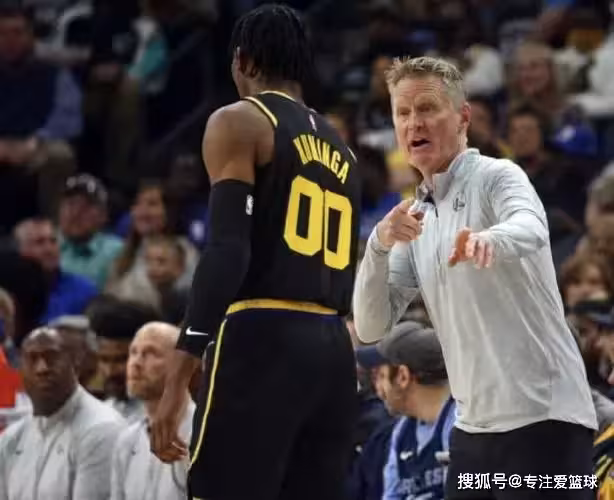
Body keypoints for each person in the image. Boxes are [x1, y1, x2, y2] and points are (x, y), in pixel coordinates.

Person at [353, 56, 597, 500]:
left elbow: (531, 225)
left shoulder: (497, 175)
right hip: (473, 431)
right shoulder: (416, 217)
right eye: (402, 113)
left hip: (544, 420)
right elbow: (371, 326)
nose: (413, 123)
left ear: (463, 117)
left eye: (427, 108)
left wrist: (491, 240)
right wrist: (378, 247)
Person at [149, 5, 361, 500]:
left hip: (264, 335)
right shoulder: (343, 148)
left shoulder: (240, 121)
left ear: (241, 61)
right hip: (334, 347)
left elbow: (228, 250)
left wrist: (179, 371)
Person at [0, 327, 124, 500]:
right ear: (20, 370)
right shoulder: (12, 438)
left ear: (75, 364)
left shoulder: (102, 429)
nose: (42, 368)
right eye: (32, 359)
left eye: (52, 358)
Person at [349, 321, 454, 500]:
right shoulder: (401, 432)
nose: (378, 389)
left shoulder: (459, 423)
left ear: (403, 377)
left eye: (381, 376)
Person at [111, 322, 195, 500]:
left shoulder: (202, 433)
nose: (136, 363)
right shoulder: (127, 441)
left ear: (180, 366)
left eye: (151, 353)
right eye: (133, 352)